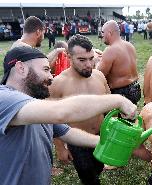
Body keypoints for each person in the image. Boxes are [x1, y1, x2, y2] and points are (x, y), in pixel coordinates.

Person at [0, 46, 137, 185]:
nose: (50, 77)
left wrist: (105, 143)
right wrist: (117, 100)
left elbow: (67, 133)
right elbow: (60, 112)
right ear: (21, 68)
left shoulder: (35, 104)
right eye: (46, 70)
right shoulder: (4, 99)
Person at [49, 34, 110, 185]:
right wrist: (60, 148)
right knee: (89, 179)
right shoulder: (58, 83)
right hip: (78, 142)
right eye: (82, 60)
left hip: (102, 136)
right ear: (69, 57)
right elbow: (51, 118)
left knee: (98, 169)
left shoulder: (99, 76)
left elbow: (109, 103)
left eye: (91, 58)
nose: (89, 64)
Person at [97, 20, 141, 105]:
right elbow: (120, 62)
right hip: (135, 89)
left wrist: (97, 61)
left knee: (115, 118)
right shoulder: (129, 45)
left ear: (109, 33)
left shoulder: (110, 50)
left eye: (103, 32)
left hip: (121, 93)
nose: (102, 35)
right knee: (130, 117)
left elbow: (99, 75)